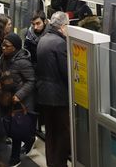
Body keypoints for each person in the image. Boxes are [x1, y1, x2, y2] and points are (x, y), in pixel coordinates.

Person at [0, 32, 36, 166]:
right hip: (5, 99)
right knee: (10, 127)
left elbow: (31, 80)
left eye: (7, 46)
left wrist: (19, 95)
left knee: (17, 129)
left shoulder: (23, 63)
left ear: (15, 47)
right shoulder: (3, 57)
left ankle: (15, 157)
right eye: (3, 45)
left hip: (20, 101)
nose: (3, 48)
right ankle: (28, 140)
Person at [36, 11, 70, 167]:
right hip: (58, 97)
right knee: (63, 134)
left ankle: (52, 163)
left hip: (44, 94)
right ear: (62, 27)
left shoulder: (43, 39)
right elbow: (66, 72)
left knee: (50, 133)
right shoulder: (60, 44)